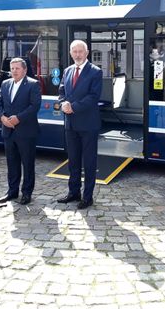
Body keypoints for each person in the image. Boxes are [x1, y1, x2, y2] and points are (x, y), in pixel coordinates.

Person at [57, 40, 102, 209]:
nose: (77, 54)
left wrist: (73, 107)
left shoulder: (95, 72)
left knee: (89, 162)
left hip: (88, 125)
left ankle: (87, 196)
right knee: (73, 160)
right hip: (71, 125)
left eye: (80, 51)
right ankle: (73, 192)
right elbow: (61, 92)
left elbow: (93, 97)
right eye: (74, 51)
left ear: (87, 52)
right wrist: (62, 104)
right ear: (70, 53)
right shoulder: (67, 71)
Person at [0, 58, 41, 205]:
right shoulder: (5, 83)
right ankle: (12, 191)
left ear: (25, 70)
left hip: (26, 132)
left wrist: (18, 118)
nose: (14, 71)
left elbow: (35, 106)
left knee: (27, 164)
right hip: (8, 131)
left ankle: (27, 193)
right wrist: (2, 117)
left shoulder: (33, 85)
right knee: (11, 163)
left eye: (17, 68)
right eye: (12, 68)